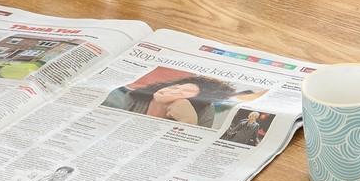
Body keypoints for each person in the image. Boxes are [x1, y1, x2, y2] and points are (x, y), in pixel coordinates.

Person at [102, 73, 250, 127]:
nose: (173, 89)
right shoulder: (126, 98)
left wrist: (189, 123)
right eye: (176, 86)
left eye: (185, 92)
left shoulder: (204, 112)